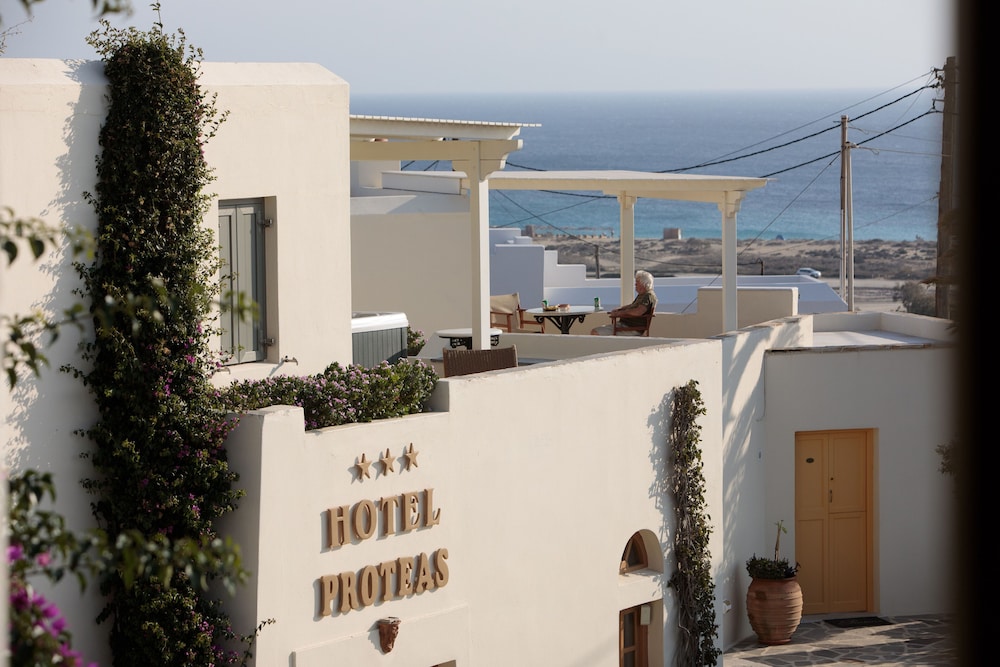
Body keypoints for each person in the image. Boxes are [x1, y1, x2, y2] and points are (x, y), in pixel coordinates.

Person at [591, 270, 657, 335]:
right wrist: (619, 309)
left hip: (631, 328)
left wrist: (620, 313)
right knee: (595, 331)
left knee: (595, 332)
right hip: (624, 325)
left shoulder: (648, 296)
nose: (635, 284)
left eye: (637, 282)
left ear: (644, 283)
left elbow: (638, 311)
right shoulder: (642, 295)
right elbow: (632, 306)